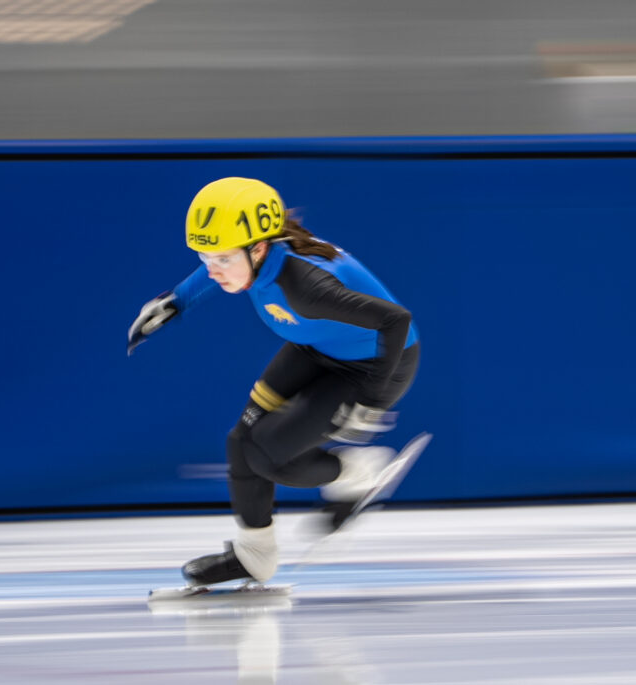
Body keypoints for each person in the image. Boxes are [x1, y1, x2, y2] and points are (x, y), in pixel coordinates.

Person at [128, 177, 420, 587]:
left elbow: (396, 319)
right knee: (239, 442)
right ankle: (254, 557)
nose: (213, 270)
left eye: (223, 259)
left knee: (267, 456)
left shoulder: (305, 288)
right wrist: (176, 301)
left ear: (259, 247)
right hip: (316, 347)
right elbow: (214, 268)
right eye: (204, 257)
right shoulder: (258, 257)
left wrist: (370, 402)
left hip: (372, 367)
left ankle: (357, 473)